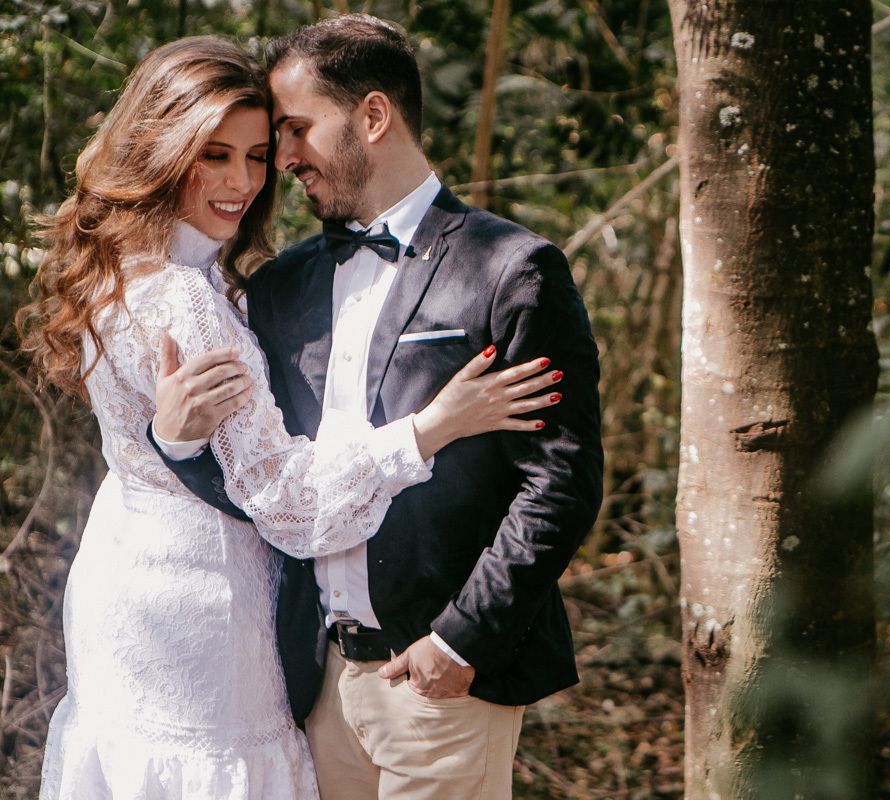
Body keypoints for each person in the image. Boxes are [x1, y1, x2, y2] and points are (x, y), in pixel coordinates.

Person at [22, 37, 561, 799]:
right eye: (215, 154)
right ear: (162, 149)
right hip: (208, 608)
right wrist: (430, 427)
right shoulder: (190, 295)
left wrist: (465, 635)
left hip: (140, 589)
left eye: (258, 152)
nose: (246, 179)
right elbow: (283, 496)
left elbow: (560, 482)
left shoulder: (138, 275)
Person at [153, 14, 604, 800]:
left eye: (296, 130)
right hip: (312, 682)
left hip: (438, 684)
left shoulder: (512, 269)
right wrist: (176, 443)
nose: (281, 160)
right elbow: (265, 483)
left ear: (372, 115)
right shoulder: (278, 289)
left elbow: (561, 483)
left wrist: (462, 640)